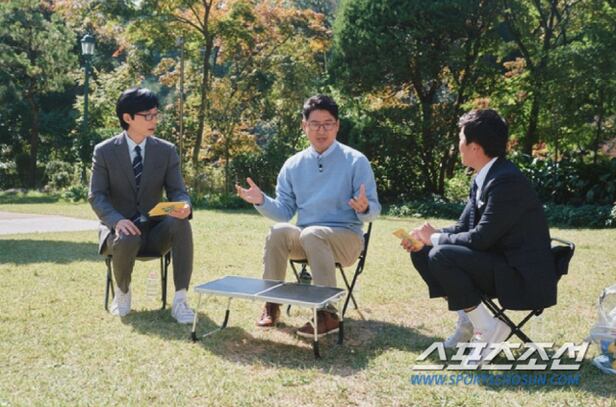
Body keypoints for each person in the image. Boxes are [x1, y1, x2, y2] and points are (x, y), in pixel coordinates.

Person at [402, 109, 556, 358]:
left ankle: (489, 327)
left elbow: (481, 238)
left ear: (475, 147)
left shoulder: (506, 181)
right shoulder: (484, 177)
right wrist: (427, 237)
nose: (458, 146)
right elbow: (464, 228)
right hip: (497, 262)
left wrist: (436, 238)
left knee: (441, 254)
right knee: (422, 251)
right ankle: (469, 320)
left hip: (520, 275)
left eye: (460, 139)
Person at [236, 94, 381, 338]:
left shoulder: (356, 161)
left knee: (313, 234)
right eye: (315, 124)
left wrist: (364, 208)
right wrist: (261, 200)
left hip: (346, 240)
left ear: (337, 125)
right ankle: (271, 303)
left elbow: (374, 211)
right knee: (279, 231)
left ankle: (327, 313)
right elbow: (283, 212)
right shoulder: (293, 164)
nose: (321, 130)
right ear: (304, 126)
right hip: (307, 239)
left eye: (328, 124)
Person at [89, 87, 195, 323]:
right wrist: (117, 221)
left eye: (156, 114)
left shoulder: (166, 151)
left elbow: (178, 191)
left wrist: (184, 205)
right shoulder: (104, 151)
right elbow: (96, 195)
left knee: (181, 222)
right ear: (127, 118)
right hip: (118, 234)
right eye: (148, 116)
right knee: (126, 234)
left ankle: (180, 301)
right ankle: (122, 294)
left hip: (155, 233)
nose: (154, 120)